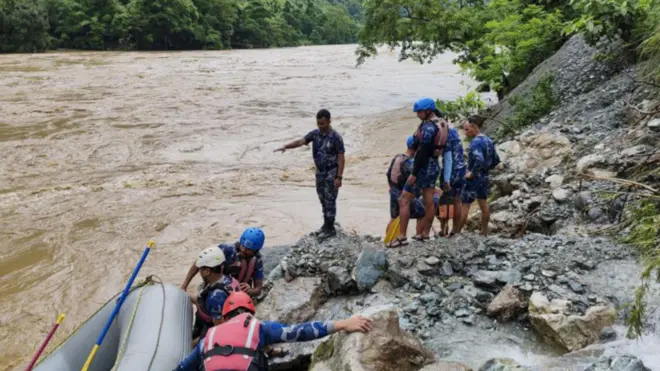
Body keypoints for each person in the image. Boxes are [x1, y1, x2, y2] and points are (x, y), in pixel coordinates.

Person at [173, 292, 373, 371]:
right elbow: (301, 332)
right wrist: (343, 324)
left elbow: (183, 368)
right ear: (251, 313)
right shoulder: (259, 328)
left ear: (224, 316)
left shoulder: (208, 337)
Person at [274, 109, 345, 239]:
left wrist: (339, 177)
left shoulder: (336, 137)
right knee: (322, 199)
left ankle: (330, 228)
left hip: (332, 173)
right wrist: (286, 146)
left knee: (330, 200)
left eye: (323, 123)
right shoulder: (315, 134)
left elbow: (341, 157)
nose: (320, 126)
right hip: (319, 172)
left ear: (329, 121)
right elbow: (301, 141)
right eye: (318, 123)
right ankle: (325, 225)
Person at [390, 98, 452, 247]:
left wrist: (414, 173)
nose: (418, 114)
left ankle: (402, 237)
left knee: (404, 200)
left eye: (420, 112)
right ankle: (424, 234)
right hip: (434, 165)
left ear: (428, 110)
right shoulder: (442, 123)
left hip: (423, 167)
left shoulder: (429, 128)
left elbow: (423, 152)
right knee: (429, 201)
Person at [181, 228, 266, 297]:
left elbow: (258, 288)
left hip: (239, 296)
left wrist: (250, 291)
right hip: (217, 289)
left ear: (256, 250)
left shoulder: (257, 262)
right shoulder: (226, 250)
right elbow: (200, 261)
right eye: (243, 246)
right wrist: (184, 285)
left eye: (248, 249)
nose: (244, 250)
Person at [386, 136, 439, 243]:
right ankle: (419, 235)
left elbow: (388, 174)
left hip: (393, 193)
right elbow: (416, 183)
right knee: (424, 211)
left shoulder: (397, 157)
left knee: (394, 217)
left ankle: (388, 238)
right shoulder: (411, 163)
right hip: (402, 196)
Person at [459, 116, 501, 236]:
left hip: (473, 179)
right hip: (484, 177)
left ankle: (457, 232)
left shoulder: (476, 142)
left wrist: (472, 173)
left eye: (467, 129)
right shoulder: (488, 140)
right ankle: (484, 231)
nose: (465, 132)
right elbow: (496, 160)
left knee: (465, 205)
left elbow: (479, 160)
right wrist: (485, 170)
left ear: (474, 127)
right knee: (483, 204)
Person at [189, 246, 240, 340]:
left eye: (200, 269)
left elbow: (219, 332)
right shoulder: (230, 280)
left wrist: (196, 343)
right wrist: (187, 296)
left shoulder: (215, 298)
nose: (199, 272)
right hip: (229, 320)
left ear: (207, 271)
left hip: (218, 329)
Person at [445, 122, 467, 236]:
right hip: (461, 168)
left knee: (448, 201)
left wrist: (446, 178)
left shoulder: (446, 134)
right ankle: (456, 229)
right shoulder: (454, 132)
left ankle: (448, 229)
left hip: (452, 171)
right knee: (458, 201)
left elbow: (448, 158)